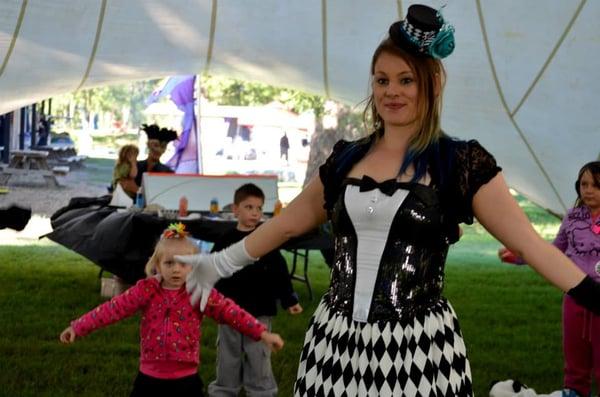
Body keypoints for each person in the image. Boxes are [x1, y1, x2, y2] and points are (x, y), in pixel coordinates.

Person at [176, 5, 600, 396]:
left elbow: (530, 244)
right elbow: (287, 224)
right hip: (334, 343)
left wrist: (594, 297)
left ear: (431, 84)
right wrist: (218, 264)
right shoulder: (346, 158)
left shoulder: (460, 162)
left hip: (420, 349)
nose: (391, 92)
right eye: (382, 80)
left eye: (406, 80)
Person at [59, 223, 284, 397]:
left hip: (185, 380)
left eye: (183, 263)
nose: (176, 269)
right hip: (149, 376)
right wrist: (77, 327)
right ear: (157, 265)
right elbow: (112, 309)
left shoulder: (198, 292)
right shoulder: (146, 290)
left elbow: (231, 312)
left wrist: (261, 332)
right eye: (169, 263)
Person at [499, 161, 600, 397]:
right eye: (584, 184)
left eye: (596, 185)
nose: (588, 190)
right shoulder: (573, 217)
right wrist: (521, 256)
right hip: (574, 298)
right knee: (575, 364)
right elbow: (553, 251)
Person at [208, 183, 303, 397]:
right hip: (229, 311)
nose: (255, 213)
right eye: (249, 207)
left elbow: (279, 271)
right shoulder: (225, 240)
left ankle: (260, 391)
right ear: (235, 209)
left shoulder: (266, 238)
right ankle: (224, 390)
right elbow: (213, 268)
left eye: (259, 208)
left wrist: (290, 300)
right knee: (227, 355)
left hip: (260, 309)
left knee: (258, 354)